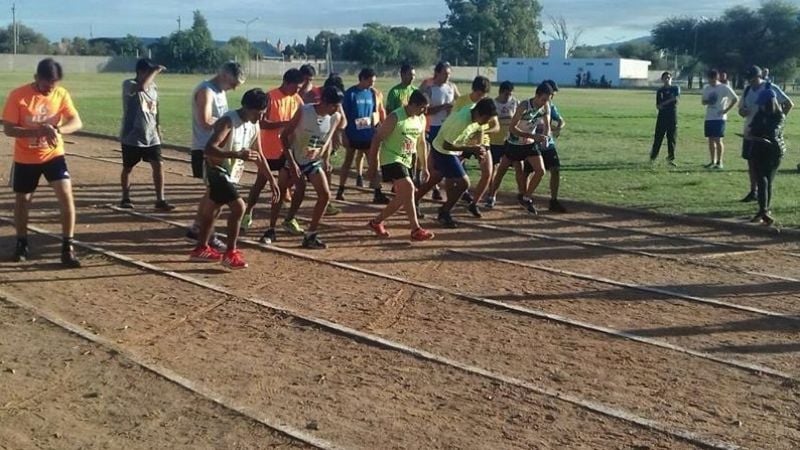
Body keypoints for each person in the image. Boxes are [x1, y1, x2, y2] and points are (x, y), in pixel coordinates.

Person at [3, 58, 83, 267]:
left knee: (66, 195)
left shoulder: (61, 94)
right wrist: (37, 131)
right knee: (23, 199)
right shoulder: (18, 96)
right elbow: (9, 128)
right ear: (36, 78)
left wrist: (58, 130)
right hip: (25, 158)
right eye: (46, 85)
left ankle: (68, 246)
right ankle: (22, 243)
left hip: (53, 155)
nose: (50, 90)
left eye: (53, 85)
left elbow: (76, 121)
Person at [189, 88, 276, 269]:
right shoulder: (228, 121)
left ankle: (201, 248)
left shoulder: (254, 125)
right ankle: (230, 253)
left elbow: (259, 155)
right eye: (258, 113)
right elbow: (209, 148)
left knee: (213, 210)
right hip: (217, 170)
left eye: (263, 114)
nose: (260, 118)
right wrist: (236, 154)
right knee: (239, 207)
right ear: (246, 107)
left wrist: (272, 180)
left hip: (230, 173)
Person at [264, 86, 343, 249]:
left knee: (325, 195)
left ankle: (311, 235)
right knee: (282, 190)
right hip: (293, 158)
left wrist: (326, 159)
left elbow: (327, 140)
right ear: (325, 102)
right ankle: (271, 229)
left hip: (312, 162)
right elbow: (284, 136)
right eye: (334, 105)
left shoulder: (335, 117)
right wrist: (291, 163)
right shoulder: (304, 111)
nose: (336, 109)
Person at [186, 61, 245, 251]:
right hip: (206, 149)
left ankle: (197, 228)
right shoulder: (206, 91)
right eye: (234, 83)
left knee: (211, 193)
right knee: (216, 196)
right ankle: (206, 234)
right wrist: (229, 123)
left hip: (215, 149)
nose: (235, 88)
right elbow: (204, 120)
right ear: (224, 75)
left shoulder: (220, 92)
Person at [416, 98, 498, 228]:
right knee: (463, 183)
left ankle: (414, 199)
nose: (486, 123)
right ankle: (444, 211)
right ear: (480, 114)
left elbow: (479, 129)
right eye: (486, 119)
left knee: (436, 177)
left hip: (447, 148)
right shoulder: (461, 122)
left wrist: (479, 147)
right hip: (444, 151)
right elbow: (447, 145)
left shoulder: (474, 113)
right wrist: (471, 149)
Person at [366, 90, 434, 241]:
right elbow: (377, 139)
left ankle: (376, 222)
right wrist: (373, 164)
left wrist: (424, 167)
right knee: (409, 188)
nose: (425, 111)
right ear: (413, 104)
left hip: (406, 159)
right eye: (422, 107)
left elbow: (421, 143)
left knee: (404, 196)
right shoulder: (395, 117)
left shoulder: (421, 119)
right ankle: (416, 229)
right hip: (391, 158)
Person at [242, 68, 304, 231]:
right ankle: (248, 212)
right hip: (269, 150)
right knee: (260, 183)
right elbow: (261, 122)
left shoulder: (297, 99)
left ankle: (287, 219)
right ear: (287, 82)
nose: (298, 91)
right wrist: (285, 123)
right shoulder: (271, 97)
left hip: (287, 151)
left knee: (286, 184)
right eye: (296, 87)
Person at [119, 58, 173, 211]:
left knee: (158, 165)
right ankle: (125, 197)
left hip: (151, 135)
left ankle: (160, 199)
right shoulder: (129, 84)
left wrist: (159, 125)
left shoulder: (153, 87)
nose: (151, 74)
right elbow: (141, 87)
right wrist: (155, 70)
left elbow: (155, 107)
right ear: (140, 72)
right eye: (148, 71)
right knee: (128, 167)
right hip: (132, 135)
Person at [493, 82, 552, 214]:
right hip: (514, 143)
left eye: (547, 100)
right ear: (536, 96)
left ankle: (526, 197)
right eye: (543, 99)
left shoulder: (546, 106)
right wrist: (531, 135)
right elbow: (512, 128)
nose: (544, 103)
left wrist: (545, 137)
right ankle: (491, 195)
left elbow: (547, 125)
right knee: (502, 170)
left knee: (540, 171)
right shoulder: (524, 106)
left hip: (530, 144)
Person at [738, 65, 792, 202]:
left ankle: (764, 197)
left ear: (758, 76)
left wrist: (777, 123)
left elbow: (788, 104)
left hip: (767, 134)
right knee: (751, 162)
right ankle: (753, 190)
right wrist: (742, 112)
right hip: (750, 131)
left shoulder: (770, 88)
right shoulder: (747, 90)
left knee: (764, 167)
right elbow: (741, 109)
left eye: (752, 78)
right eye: (748, 79)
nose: (750, 81)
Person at [336, 68, 388, 203]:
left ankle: (378, 192)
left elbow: (376, 112)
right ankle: (340, 190)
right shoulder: (351, 94)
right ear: (363, 79)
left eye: (374, 82)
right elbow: (343, 115)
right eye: (370, 81)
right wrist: (343, 134)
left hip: (368, 135)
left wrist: (378, 128)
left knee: (373, 163)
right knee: (348, 162)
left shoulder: (372, 94)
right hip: (352, 134)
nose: (372, 84)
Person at [450, 75, 498, 218]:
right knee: (451, 173)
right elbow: (454, 120)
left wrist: (482, 131)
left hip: (482, 142)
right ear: (473, 90)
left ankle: (474, 203)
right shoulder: (462, 101)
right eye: (479, 94)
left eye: (484, 95)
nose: (481, 97)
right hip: (463, 142)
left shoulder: (487, 103)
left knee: (488, 172)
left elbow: (496, 126)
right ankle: (450, 201)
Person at [745, 88, 786, 225]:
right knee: (761, 180)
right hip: (758, 149)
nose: (761, 106)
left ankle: (763, 210)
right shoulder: (760, 113)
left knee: (766, 180)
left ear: (770, 102)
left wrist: (759, 131)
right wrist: (758, 132)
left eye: (763, 103)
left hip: (773, 151)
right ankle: (764, 210)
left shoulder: (779, 115)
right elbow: (751, 128)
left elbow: (772, 132)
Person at [420, 62, 460, 201]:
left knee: (442, 159)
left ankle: (437, 186)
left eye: (449, 74)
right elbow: (424, 110)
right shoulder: (429, 89)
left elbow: (460, 103)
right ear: (437, 73)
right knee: (436, 159)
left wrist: (454, 108)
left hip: (448, 128)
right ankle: (433, 186)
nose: (447, 77)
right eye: (445, 74)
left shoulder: (451, 87)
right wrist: (443, 107)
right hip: (433, 126)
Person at [526, 79, 567, 213]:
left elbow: (560, 120)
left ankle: (553, 200)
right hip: (532, 142)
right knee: (527, 171)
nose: (552, 97)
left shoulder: (550, 106)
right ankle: (526, 197)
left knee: (555, 169)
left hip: (547, 143)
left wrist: (558, 127)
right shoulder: (530, 105)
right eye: (552, 94)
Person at [483, 81, 519, 209]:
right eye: (506, 94)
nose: (508, 97)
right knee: (493, 170)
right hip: (494, 142)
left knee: (518, 167)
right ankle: (491, 195)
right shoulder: (493, 103)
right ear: (501, 92)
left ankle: (523, 196)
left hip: (509, 141)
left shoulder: (515, 102)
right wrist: (507, 119)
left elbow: (518, 119)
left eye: (510, 94)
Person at [701, 69, 738, 169]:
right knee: (710, 140)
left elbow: (735, 99)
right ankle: (712, 161)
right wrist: (708, 101)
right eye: (709, 79)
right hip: (709, 117)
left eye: (713, 80)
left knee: (718, 139)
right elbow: (703, 102)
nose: (711, 82)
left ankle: (719, 162)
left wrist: (726, 110)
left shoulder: (724, 87)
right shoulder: (707, 88)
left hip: (719, 118)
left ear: (717, 78)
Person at [649, 71, 679, 166]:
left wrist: (664, 103)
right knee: (658, 137)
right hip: (662, 116)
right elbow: (658, 105)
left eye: (668, 78)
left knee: (671, 137)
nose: (667, 80)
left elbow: (675, 99)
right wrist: (665, 103)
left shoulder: (675, 88)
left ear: (671, 79)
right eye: (665, 78)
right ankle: (653, 157)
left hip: (672, 115)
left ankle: (670, 158)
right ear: (662, 79)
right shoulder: (660, 91)